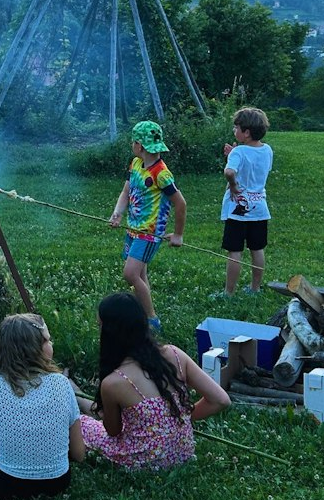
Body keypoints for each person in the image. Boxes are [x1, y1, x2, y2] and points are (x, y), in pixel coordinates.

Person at [78, 292, 230, 470]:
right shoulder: (175, 354)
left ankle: (75, 396)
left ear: (109, 333)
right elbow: (221, 400)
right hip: (182, 452)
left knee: (81, 423)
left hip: (143, 460)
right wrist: (177, 419)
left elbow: (113, 431)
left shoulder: (114, 382)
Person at [0, 313, 85, 500]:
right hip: (57, 483)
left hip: (3, 485)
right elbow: (78, 454)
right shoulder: (62, 384)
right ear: (36, 349)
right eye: (48, 340)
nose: (52, 344)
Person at [109, 120, 186, 331]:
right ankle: (143, 313)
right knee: (140, 274)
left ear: (140, 145)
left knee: (130, 274)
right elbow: (126, 192)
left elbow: (180, 204)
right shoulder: (135, 164)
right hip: (134, 228)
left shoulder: (161, 174)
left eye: (133, 142)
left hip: (149, 233)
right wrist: (118, 213)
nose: (132, 146)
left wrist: (178, 234)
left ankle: (152, 320)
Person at [221, 107, 273, 295]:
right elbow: (256, 166)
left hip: (238, 210)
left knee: (235, 251)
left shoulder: (239, 152)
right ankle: (255, 288)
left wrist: (233, 185)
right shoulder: (267, 150)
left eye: (236, 128)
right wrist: (235, 153)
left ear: (247, 132)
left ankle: (229, 292)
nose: (234, 131)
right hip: (259, 208)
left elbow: (229, 172)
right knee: (257, 248)